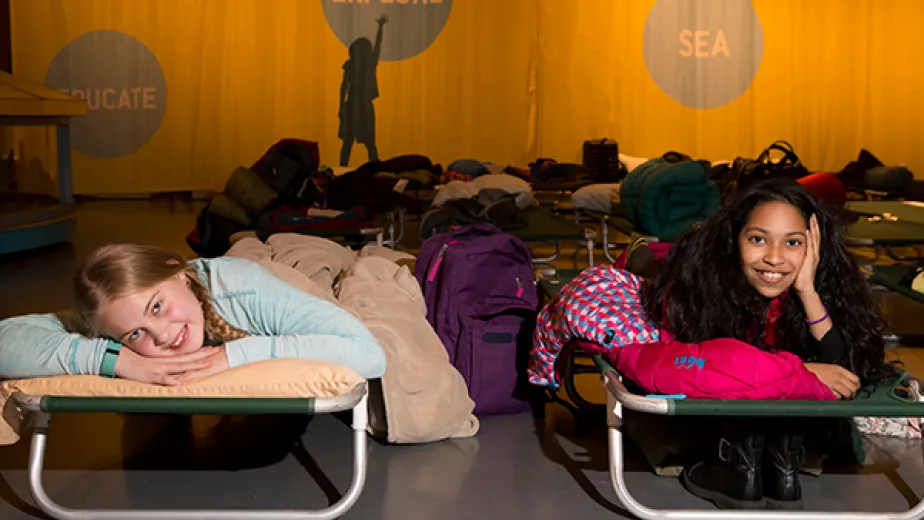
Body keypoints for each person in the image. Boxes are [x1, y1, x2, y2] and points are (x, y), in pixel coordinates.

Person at [529, 177, 892, 510]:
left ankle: (766, 461)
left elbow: (846, 371)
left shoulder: (817, 281)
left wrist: (808, 290)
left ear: (813, 247)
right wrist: (802, 370)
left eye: (793, 242)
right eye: (758, 239)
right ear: (734, 239)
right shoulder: (694, 285)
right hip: (661, 276)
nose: (775, 257)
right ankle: (741, 460)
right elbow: (714, 369)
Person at [0, 243, 387, 384]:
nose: (164, 336)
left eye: (157, 306)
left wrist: (234, 355)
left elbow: (369, 354)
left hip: (254, 282)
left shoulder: (243, 291)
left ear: (181, 275)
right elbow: (6, 340)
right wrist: (117, 362)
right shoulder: (110, 318)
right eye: (135, 334)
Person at [338, 15, 387, 167]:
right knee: (357, 142)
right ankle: (347, 169)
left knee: (361, 142)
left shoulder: (361, 65)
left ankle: (345, 169)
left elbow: (343, 87)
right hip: (357, 105)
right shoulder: (360, 65)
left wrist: (380, 28)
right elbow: (343, 87)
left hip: (358, 105)